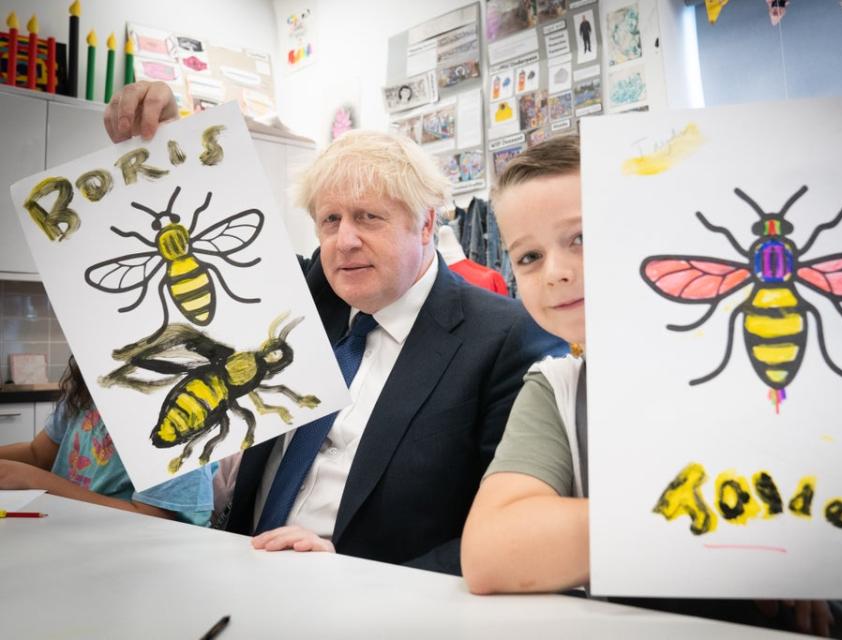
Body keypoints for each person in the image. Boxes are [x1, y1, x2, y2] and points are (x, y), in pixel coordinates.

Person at [461, 135, 842, 636]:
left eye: (582, 238)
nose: (557, 274)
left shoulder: (803, 364)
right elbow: (490, 551)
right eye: (528, 257)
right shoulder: (558, 389)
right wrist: (744, 530)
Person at [102, 81, 565, 575]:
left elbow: (513, 535)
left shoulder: (505, 336)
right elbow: (202, 231)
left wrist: (352, 571)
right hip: (234, 570)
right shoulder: (303, 296)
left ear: (427, 224)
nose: (345, 241)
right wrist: (169, 138)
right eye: (330, 220)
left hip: (373, 605)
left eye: (369, 217)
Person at [0, 356, 215, 525]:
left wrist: (33, 479)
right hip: (72, 536)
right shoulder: (85, 392)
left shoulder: (179, 417)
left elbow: (153, 520)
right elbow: (38, 454)